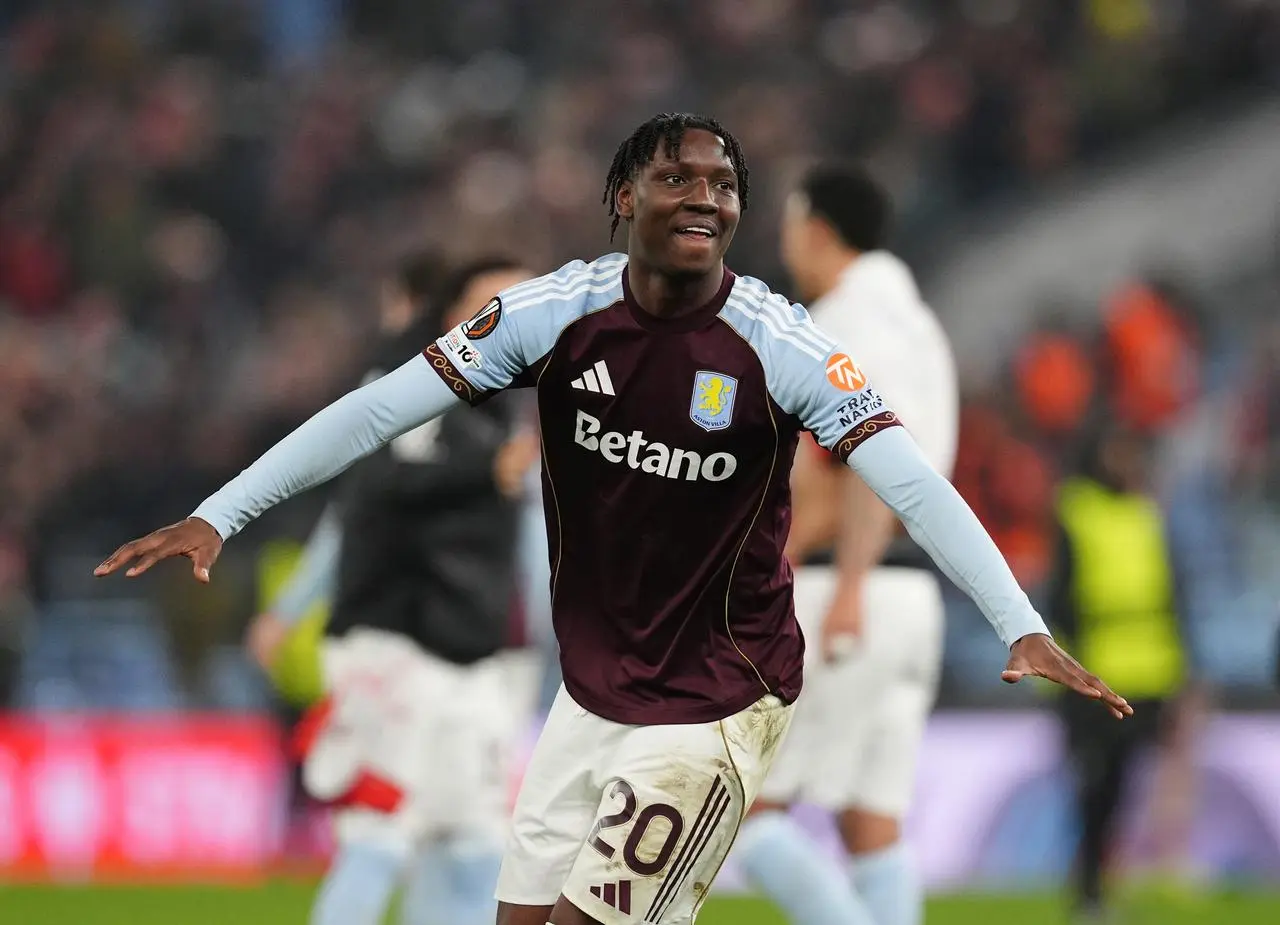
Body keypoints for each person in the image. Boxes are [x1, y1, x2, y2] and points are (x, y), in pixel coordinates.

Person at [96, 112, 1130, 925]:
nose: (705, 197)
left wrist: (1016, 620)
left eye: (724, 183)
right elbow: (376, 409)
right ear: (620, 196)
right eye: (678, 178)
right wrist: (220, 515)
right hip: (591, 698)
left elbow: (910, 481)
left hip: (718, 697)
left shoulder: (782, 343)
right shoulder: (552, 315)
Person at [245, 254, 536, 925]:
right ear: (449, 312)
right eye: (495, 299)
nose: (514, 315)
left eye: (526, 300)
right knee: (378, 837)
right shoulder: (418, 384)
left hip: (472, 653)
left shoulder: (503, 406)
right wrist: (483, 468)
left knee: (468, 844)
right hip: (396, 646)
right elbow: (370, 493)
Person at [734, 164, 958, 925]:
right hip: (916, 590)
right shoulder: (920, 327)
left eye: (792, 224)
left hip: (845, 586)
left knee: (751, 815)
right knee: (871, 820)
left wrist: (847, 581)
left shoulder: (841, 323)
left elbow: (867, 457)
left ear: (819, 230)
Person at [1049, 422, 1189, 922]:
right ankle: (1087, 886)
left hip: (1150, 670)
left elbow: (1172, 594)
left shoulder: (1146, 513)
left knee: (1122, 785)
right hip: (1095, 676)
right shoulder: (1076, 512)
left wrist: (1181, 671)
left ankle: (1099, 883)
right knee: (1095, 784)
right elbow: (1060, 599)